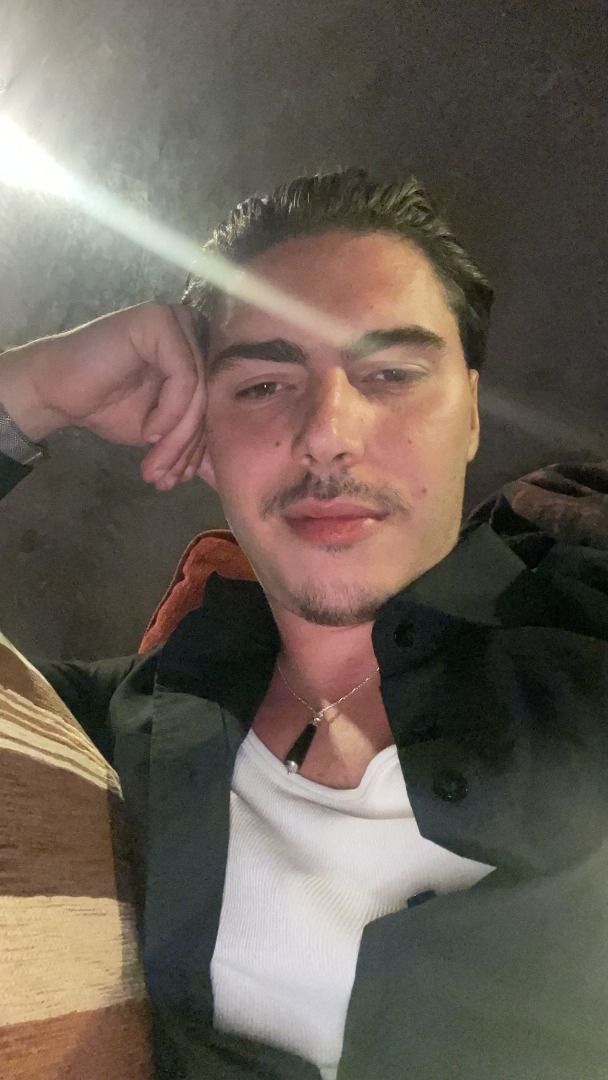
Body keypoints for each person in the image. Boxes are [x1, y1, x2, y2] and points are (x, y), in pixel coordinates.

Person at [0, 169, 606, 1080]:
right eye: (261, 385)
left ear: (474, 415)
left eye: (391, 374)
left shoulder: (583, 628)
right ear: (201, 435)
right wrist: (30, 392)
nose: (328, 430)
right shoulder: (126, 724)